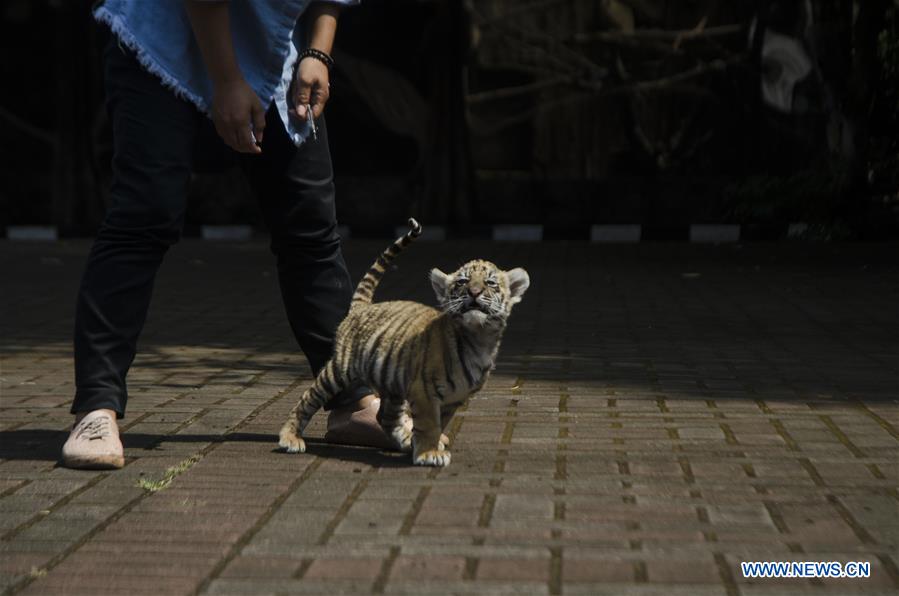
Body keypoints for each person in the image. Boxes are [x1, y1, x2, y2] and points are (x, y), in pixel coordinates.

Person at [62, 0, 390, 470]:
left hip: (274, 51)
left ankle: (352, 400)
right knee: (145, 214)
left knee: (310, 225)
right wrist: (228, 81)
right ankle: (96, 409)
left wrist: (318, 54)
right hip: (165, 34)